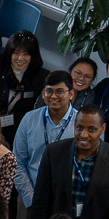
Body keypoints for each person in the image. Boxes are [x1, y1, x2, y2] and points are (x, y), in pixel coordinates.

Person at [12, 70, 79, 208]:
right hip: (31, 197)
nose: (53, 96)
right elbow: (17, 162)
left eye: (60, 91)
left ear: (71, 94)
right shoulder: (29, 119)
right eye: (49, 91)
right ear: (43, 94)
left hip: (65, 201)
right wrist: (31, 198)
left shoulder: (81, 123)